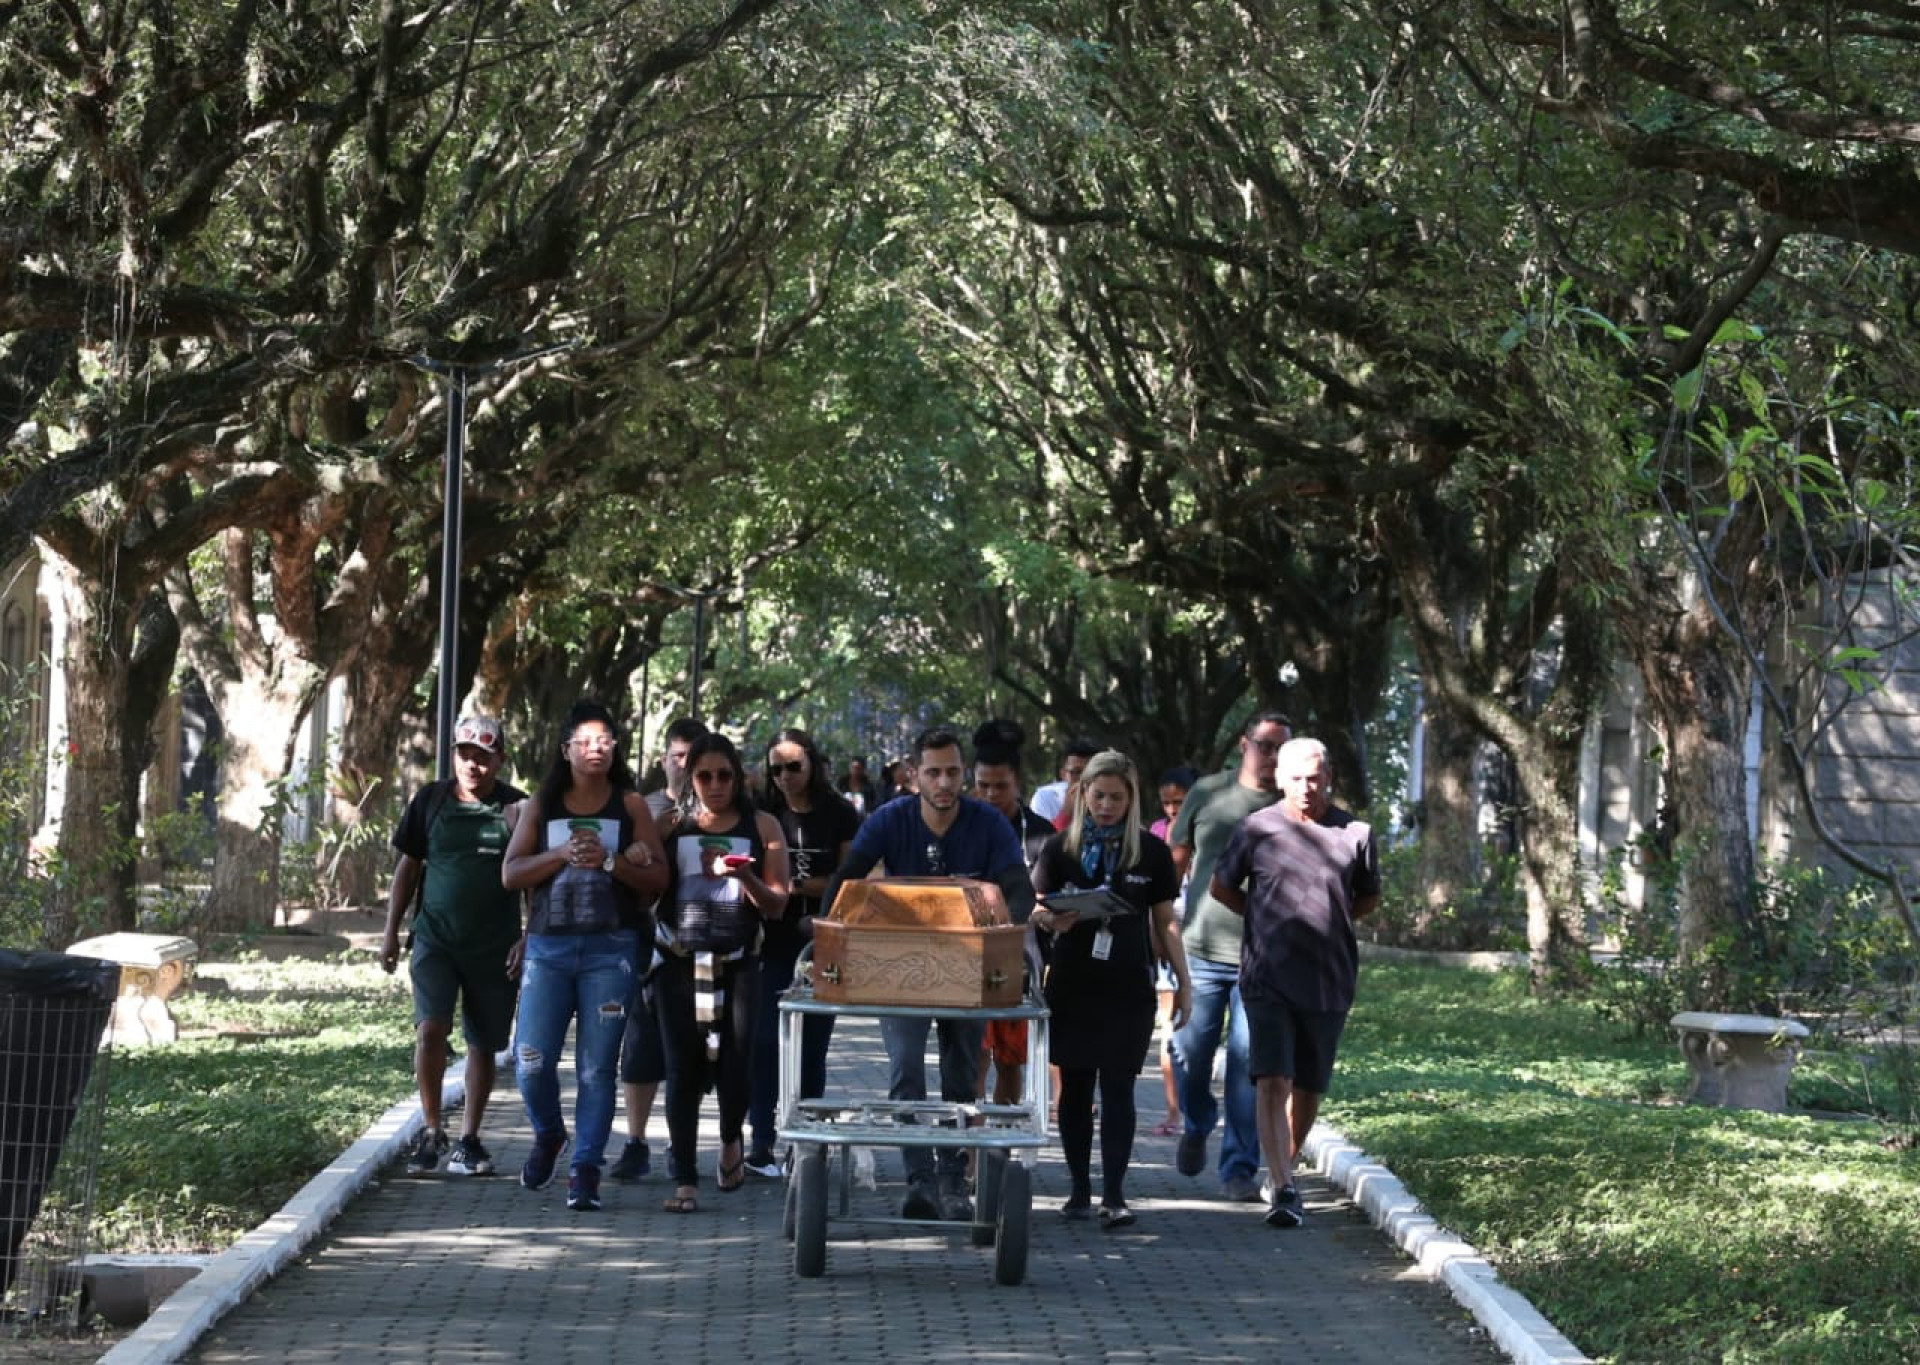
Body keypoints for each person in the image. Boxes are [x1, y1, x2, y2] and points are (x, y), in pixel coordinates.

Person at [822, 725, 1035, 1221]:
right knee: (905, 1071)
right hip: (900, 965)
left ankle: (953, 1178)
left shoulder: (988, 823)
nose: (944, 783)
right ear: (914, 775)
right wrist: (829, 934)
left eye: (952, 772)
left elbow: (1018, 889)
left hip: (969, 965)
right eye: (933, 772)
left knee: (962, 1077)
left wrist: (1005, 932)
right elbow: (847, 878)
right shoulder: (889, 819)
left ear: (964, 774)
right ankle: (917, 1180)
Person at [501, 700, 668, 1212]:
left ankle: (585, 1169)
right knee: (531, 1060)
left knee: (598, 1069)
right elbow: (510, 874)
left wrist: (613, 860)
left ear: (615, 749)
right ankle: (550, 1134)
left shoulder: (630, 805)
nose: (596, 749)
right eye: (585, 741)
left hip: (610, 950)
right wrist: (559, 855)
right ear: (566, 749)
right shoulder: (542, 804)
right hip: (548, 948)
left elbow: (659, 878)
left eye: (605, 740)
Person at [1209, 737, 1379, 1228]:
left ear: (1329, 777)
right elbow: (1223, 886)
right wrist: (1263, 918)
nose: (1307, 787)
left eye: (1315, 777)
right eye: (1297, 778)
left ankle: (1282, 1159)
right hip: (1267, 974)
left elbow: (1366, 897)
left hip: (1329, 976)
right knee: (1272, 1079)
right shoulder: (1257, 829)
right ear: (1280, 779)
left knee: (1307, 1085)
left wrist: (1328, 921)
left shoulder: (1356, 833)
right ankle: (1284, 1186)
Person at [1031, 750, 1192, 1229]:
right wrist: (1052, 918)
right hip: (1074, 982)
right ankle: (1079, 1190)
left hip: (1128, 985)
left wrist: (1184, 983)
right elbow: (1035, 909)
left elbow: (1166, 922)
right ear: (1083, 795)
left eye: (1116, 797)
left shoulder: (1151, 852)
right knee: (1077, 1087)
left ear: (1131, 799)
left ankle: (1115, 1195)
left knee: (1120, 1087)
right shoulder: (1061, 848)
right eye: (1098, 796)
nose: (1106, 806)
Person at [382, 715, 527, 1177]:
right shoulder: (431, 800)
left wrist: (529, 938)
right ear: (454, 756)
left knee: (482, 1044)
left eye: (484, 757)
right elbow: (408, 867)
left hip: (494, 947)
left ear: (500, 759)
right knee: (430, 1029)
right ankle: (430, 1130)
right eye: (465, 755)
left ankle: (469, 1137)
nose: (473, 765)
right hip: (435, 938)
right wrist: (390, 932)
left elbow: (535, 880)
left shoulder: (518, 809)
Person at [652, 733, 790, 1214]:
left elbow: (777, 904)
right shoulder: (672, 825)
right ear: (690, 778)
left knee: (736, 1063)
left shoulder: (763, 825)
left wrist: (742, 875)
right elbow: (646, 884)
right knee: (681, 1068)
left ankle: (732, 1135)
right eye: (704, 776)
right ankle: (685, 1179)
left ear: (739, 777)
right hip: (678, 961)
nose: (714, 785)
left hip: (739, 962)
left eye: (724, 775)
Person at [1169, 711, 1290, 1202]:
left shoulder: (1293, 804)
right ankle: (1197, 1122)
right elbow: (1174, 860)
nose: (1273, 756)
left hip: (1262, 958)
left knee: (1247, 1062)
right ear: (1244, 744)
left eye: (1282, 747)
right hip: (1200, 949)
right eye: (1265, 745)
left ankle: (1239, 1165)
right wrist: (1161, 926)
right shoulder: (1209, 792)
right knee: (1191, 1053)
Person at [748, 727, 861, 1176]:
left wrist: (795, 886)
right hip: (771, 937)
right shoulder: (764, 812)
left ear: (813, 763)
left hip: (822, 938)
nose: (785, 776)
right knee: (764, 1041)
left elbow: (850, 879)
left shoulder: (839, 813)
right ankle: (761, 1140)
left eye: (794, 766)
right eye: (776, 768)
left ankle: (806, 1142)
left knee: (812, 1045)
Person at [609, 717, 707, 1184]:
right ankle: (634, 1141)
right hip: (648, 944)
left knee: (694, 1053)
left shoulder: (717, 811)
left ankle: (682, 1145)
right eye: (679, 756)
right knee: (640, 1047)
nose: (685, 765)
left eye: (695, 758)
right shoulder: (642, 808)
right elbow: (627, 871)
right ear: (664, 759)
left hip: (704, 949)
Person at [970, 719, 1053, 1106]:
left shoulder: (1041, 833)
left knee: (1009, 1060)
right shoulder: (960, 825)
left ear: (1018, 782)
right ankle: (967, 1153)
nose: (990, 794)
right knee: (973, 1060)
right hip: (965, 960)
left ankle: (998, 1147)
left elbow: (1048, 897)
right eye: (982, 785)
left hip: (1020, 961)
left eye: (1000, 786)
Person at [1148, 764, 1199, 1134]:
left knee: (1198, 1033)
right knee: (1170, 1026)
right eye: (1166, 803)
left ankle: (1195, 1110)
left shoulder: (1210, 833)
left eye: (1179, 802)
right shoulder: (1156, 834)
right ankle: (1172, 1111)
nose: (1171, 810)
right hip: (1169, 935)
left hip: (1206, 941)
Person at [1031, 736, 1100, 825]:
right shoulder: (1046, 797)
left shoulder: (1107, 798)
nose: (1083, 779)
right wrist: (1066, 812)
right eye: (1076, 772)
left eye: (1090, 772)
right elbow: (1042, 837)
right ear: (1063, 774)